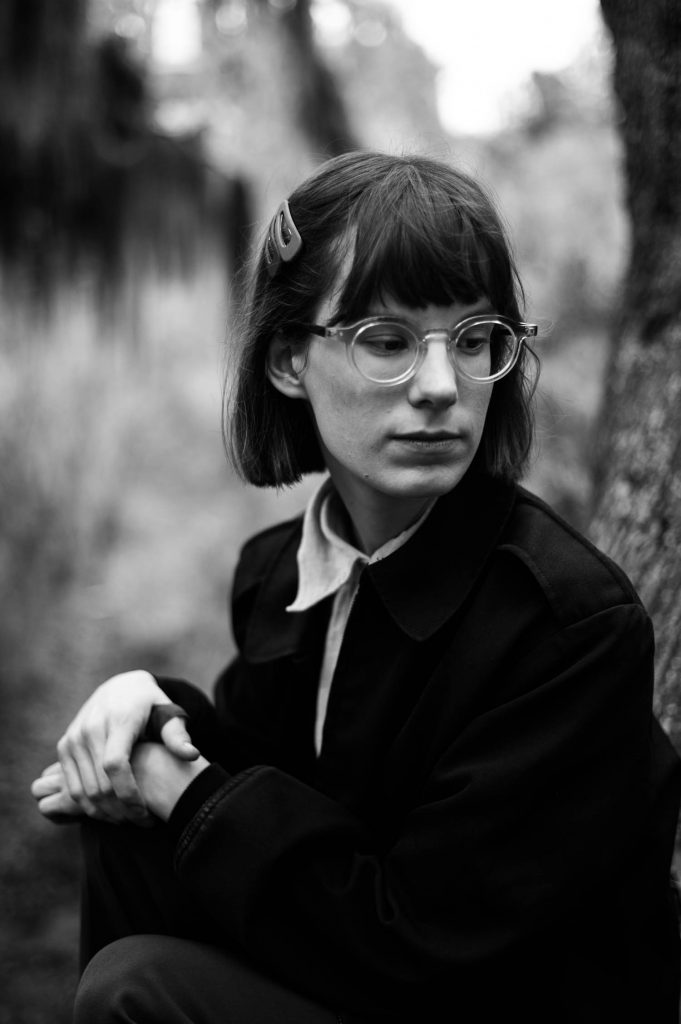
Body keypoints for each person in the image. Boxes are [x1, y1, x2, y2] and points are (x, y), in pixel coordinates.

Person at [32, 151, 681, 1024]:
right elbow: (266, 785)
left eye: (475, 338)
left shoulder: (566, 624)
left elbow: (422, 944)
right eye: (386, 341)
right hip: (357, 967)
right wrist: (145, 707)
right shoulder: (280, 574)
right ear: (289, 362)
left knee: (134, 986)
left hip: (479, 1000)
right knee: (128, 814)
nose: (442, 387)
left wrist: (183, 790)